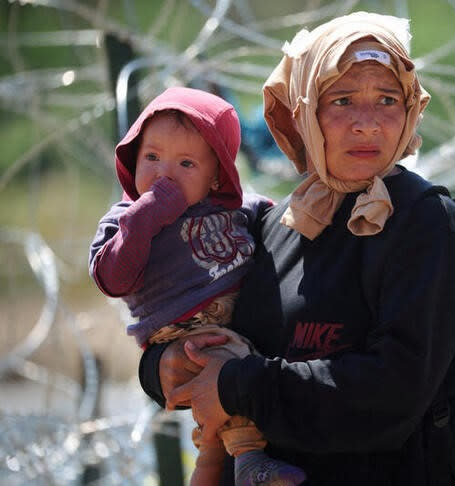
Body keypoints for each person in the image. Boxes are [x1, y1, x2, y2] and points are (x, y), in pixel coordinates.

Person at [139, 12, 455, 485]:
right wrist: (166, 365)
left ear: (410, 110)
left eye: (387, 100)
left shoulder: (426, 225)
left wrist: (239, 385)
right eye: (342, 100)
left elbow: (393, 394)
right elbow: (203, 324)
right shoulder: (274, 223)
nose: (366, 124)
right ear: (301, 113)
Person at [88, 86, 306, 486]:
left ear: (216, 176)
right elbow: (111, 278)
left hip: (234, 324)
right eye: (151, 157)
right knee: (230, 373)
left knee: (240, 382)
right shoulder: (125, 218)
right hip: (183, 330)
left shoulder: (237, 209)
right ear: (132, 157)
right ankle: (249, 459)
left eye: (186, 163)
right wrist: (144, 220)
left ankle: (211, 466)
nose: (164, 174)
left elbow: (280, 229)